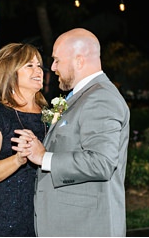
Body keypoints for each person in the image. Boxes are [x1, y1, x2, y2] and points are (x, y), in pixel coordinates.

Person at [13, 28, 131, 236]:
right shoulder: (83, 96)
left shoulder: (101, 98)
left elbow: (102, 162)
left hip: (85, 227)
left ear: (79, 61)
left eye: (57, 60)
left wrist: (44, 157)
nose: (53, 67)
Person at [0, 43, 47, 236]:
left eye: (39, 65)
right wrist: (17, 159)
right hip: (2, 217)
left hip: (43, 216)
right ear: (10, 72)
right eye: (29, 65)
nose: (38, 70)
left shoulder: (50, 115)